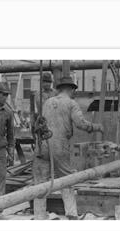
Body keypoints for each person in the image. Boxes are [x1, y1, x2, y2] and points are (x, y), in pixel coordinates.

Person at [32, 76, 104, 219]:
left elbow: (39, 123)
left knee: (40, 184)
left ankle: (39, 216)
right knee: (67, 181)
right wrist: (97, 127)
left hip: (42, 146)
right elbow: (80, 123)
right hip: (59, 147)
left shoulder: (47, 103)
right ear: (71, 89)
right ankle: (71, 214)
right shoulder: (71, 103)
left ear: (58, 89)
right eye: (74, 91)